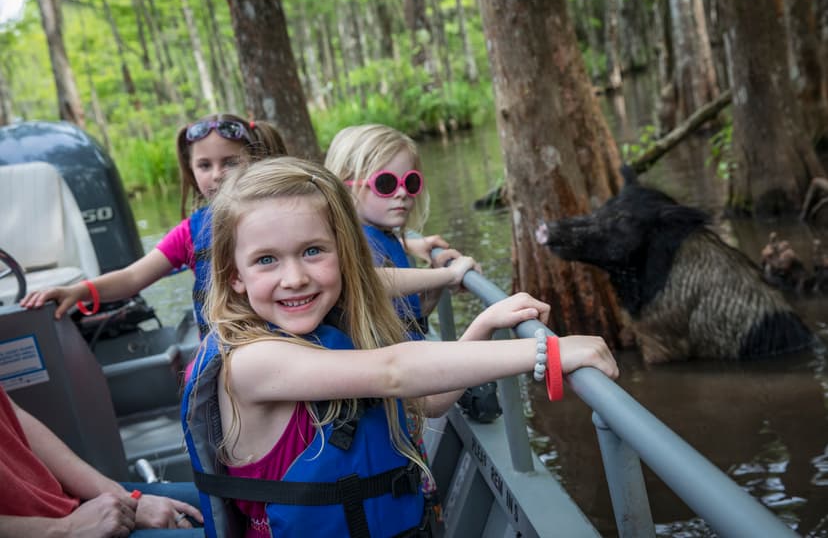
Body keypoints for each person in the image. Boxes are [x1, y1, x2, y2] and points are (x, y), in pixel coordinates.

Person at [181, 157, 618, 538]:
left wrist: (482, 325)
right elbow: (394, 369)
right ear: (233, 274)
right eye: (266, 260)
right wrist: (549, 352)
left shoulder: (329, 331)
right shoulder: (253, 361)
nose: (294, 277)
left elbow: (428, 402)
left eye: (313, 251)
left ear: (344, 254)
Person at [19, 114, 288, 379]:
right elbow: (133, 277)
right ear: (191, 171)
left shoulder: (283, 217)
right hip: (229, 356)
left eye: (229, 162)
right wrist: (78, 291)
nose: (216, 175)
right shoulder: (190, 234)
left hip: (283, 340)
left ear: (254, 162)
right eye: (204, 165)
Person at [325, 123, 475, 340]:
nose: (402, 192)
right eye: (386, 183)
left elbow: (408, 322)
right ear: (346, 187)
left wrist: (434, 290)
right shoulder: (345, 242)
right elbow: (366, 280)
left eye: (411, 182)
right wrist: (448, 275)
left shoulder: (384, 236)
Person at [0, 386, 203, 537]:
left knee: (224, 503)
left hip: (63, 502)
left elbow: (11, 414)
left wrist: (125, 499)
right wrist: (66, 530)